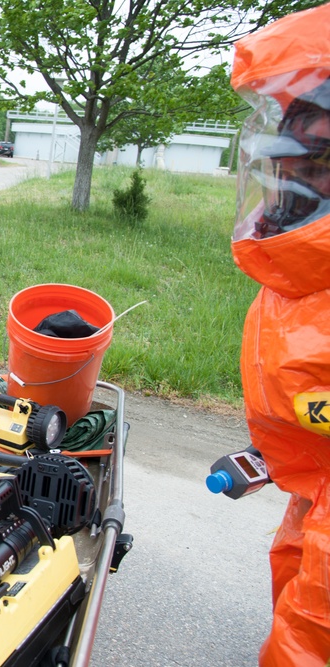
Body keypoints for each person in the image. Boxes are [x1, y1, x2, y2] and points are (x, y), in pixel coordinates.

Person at [230, 5, 330, 665]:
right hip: (309, 495)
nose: (292, 178)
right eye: (292, 154)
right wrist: (270, 459)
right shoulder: (299, 274)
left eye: (318, 160)